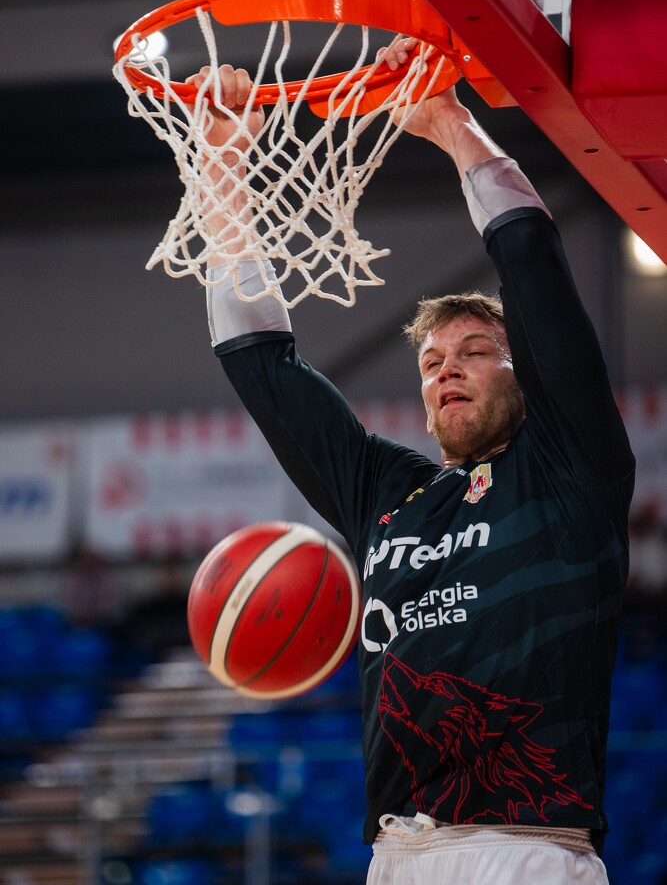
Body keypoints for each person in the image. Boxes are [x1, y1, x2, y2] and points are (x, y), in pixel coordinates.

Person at [190, 44, 635, 884]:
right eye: (432, 362)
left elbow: (533, 268)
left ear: (524, 372)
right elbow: (262, 366)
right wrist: (224, 176)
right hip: (395, 854)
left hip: (528, 849)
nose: (446, 369)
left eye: (474, 352)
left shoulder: (571, 467)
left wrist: (448, 122)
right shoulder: (388, 493)